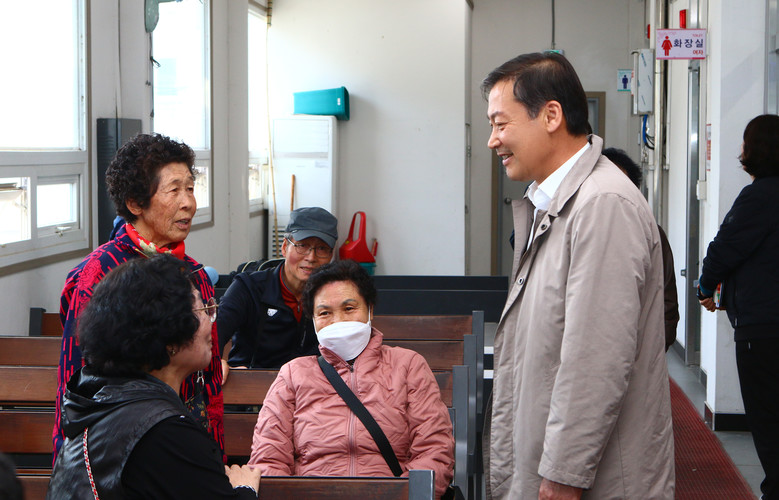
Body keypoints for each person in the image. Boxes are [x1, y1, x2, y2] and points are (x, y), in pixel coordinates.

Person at [481, 52, 674, 499]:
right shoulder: (554, 201)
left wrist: (562, 476)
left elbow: (597, 360)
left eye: (501, 124)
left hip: (588, 482)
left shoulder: (602, 205)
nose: (493, 141)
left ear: (551, 116)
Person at [54, 133, 224, 460]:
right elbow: (74, 383)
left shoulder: (195, 275)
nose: (188, 203)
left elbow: (209, 383)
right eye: (174, 190)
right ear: (135, 203)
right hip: (120, 450)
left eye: (190, 188)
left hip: (187, 443)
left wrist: (214, 458)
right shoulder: (99, 274)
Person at [47, 256, 260, 499]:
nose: (212, 320)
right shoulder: (166, 435)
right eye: (203, 309)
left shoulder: (101, 401)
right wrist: (245, 489)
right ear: (169, 335)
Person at [248, 259, 454, 498]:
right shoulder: (293, 374)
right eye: (325, 313)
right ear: (313, 320)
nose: (338, 321)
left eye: (349, 308)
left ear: (370, 310)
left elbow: (434, 450)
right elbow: (268, 457)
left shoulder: (408, 365)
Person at [697, 114, 779, 500]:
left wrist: (705, 287)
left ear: (756, 150)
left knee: (767, 419)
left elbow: (724, 250)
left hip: (763, 329)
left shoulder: (760, 195)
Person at [217, 206, 338, 369]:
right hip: (252, 381)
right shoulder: (248, 287)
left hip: (311, 382)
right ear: (284, 247)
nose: (311, 257)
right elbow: (213, 338)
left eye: (322, 248)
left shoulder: (336, 294)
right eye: (302, 245)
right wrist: (218, 364)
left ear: (331, 255)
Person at [603, 147, 680, 351]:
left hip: (638, 350)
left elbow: (667, 302)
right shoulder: (576, 230)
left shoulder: (651, 233)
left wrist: (654, 348)